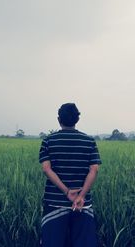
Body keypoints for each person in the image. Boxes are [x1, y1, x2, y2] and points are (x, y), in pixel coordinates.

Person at [39, 103, 102, 247]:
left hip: (54, 204)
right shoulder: (89, 141)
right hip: (82, 206)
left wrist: (67, 191)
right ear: (77, 120)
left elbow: (46, 169)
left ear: (58, 119)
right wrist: (81, 196)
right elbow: (94, 169)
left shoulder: (48, 141)